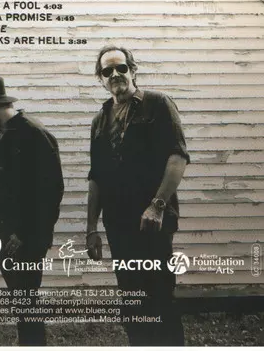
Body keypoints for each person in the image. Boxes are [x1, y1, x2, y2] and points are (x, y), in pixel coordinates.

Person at [85, 46, 189, 346]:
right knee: (131, 299)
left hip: (152, 222)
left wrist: (157, 206)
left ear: (133, 70)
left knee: (159, 296)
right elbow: (96, 176)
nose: (115, 74)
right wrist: (91, 228)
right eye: (107, 71)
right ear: (100, 78)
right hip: (118, 224)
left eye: (121, 68)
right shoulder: (100, 119)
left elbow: (177, 157)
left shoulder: (157, 104)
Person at [0, 75, 64, 346]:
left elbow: (50, 191)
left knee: (26, 300)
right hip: (3, 239)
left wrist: (24, 234)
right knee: (20, 301)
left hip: (27, 240)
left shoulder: (34, 134)